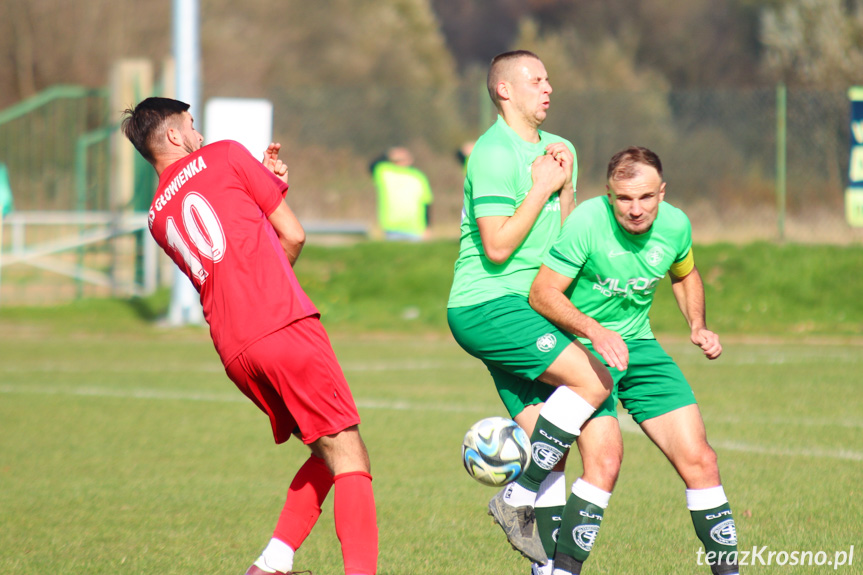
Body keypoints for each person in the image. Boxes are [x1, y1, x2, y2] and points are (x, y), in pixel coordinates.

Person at [120, 97, 378, 575]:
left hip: (236, 350)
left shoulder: (157, 216)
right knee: (349, 456)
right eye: (191, 126)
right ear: (175, 136)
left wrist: (263, 185)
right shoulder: (223, 154)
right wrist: (270, 187)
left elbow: (233, 245)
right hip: (282, 325)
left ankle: (272, 563)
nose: (198, 134)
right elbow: (293, 236)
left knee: (325, 449)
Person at [529, 146, 739, 575]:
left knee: (702, 460)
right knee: (603, 463)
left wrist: (697, 324)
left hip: (639, 347)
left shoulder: (677, 224)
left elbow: (685, 273)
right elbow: (542, 293)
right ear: (609, 195)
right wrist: (594, 330)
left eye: (645, 197)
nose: (636, 209)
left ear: (662, 193)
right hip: (580, 350)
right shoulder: (588, 221)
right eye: (624, 198)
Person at [446, 50, 613, 572]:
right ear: (504, 90)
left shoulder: (562, 149)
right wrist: (540, 186)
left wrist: (561, 189)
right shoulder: (493, 153)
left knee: (552, 444)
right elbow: (495, 248)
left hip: (537, 306)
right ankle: (514, 496)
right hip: (489, 306)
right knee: (595, 380)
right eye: (535, 80)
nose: (548, 88)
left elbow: (566, 239)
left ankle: (550, 568)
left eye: (548, 80)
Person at [369, 146, 433, 240]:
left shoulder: (419, 176)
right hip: (391, 227)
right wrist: (388, 154)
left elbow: (427, 203)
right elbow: (372, 165)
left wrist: (427, 227)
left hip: (415, 228)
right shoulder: (385, 171)